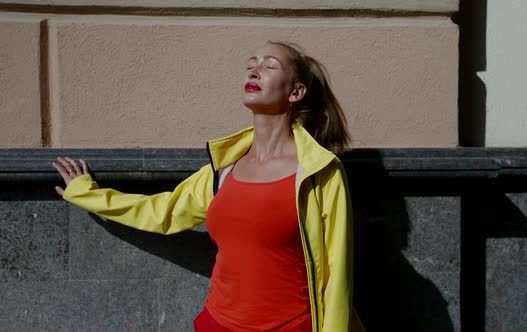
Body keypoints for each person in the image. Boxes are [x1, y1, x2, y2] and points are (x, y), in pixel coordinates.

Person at [53, 41, 365, 332]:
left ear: (295, 92)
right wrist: (85, 192)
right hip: (218, 324)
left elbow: (338, 277)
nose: (254, 70)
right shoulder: (225, 169)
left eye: (270, 66)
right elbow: (163, 211)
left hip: (292, 326)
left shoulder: (319, 173)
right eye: (251, 64)